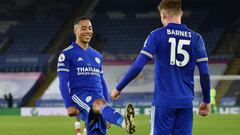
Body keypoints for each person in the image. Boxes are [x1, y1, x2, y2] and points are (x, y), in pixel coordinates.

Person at [111, 0, 211, 134]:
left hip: (163, 103)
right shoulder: (196, 38)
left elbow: (138, 65)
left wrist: (119, 87)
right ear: (180, 13)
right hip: (186, 103)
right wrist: (207, 100)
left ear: (163, 14)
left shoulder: (157, 35)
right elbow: (204, 73)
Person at [57, 16, 135, 135]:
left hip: (99, 103)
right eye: (84, 28)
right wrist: (68, 105)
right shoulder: (67, 53)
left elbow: (102, 82)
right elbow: (62, 81)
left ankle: (116, 118)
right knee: (98, 103)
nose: (88, 31)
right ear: (75, 31)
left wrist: (107, 110)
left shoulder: (97, 55)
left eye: (90, 28)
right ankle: (124, 122)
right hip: (81, 96)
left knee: (96, 132)